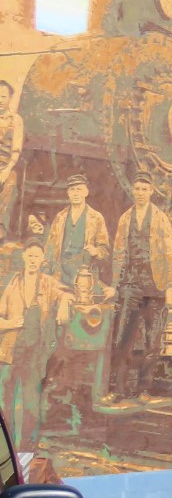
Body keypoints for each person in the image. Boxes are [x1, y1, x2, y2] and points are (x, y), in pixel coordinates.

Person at [106, 172, 172, 401]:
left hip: (155, 287)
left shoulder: (160, 218)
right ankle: (117, 390)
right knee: (123, 337)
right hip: (131, 286)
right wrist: (115, 284)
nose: (140, 193)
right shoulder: (125, 218)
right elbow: (118, 253)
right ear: (133, 191)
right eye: (137, 189)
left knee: (153, 340)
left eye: (144, 189)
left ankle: (144, 389)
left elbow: (171, 252)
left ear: (151, 191)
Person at [0, 241, 72, 448]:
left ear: (42, 260)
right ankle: (6, 447)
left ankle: (27, 448)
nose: (33, 261)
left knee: (32, 401)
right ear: (24, 257)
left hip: (34, 352)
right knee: (4, 401)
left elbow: (66, 292)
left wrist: (64, 303)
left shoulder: (48, 283)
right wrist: (10, 323)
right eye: (29, 256)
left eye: (37, 257)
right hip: (10, 352)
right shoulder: (12, 282)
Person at [43, 174, 111, 294]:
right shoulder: (60, 217)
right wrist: (46, 271)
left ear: (86, 192)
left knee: (81, 310)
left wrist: (96, 251)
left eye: (79, 189)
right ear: (68, 193)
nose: (75, 193)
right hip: (61, 275)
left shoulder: (96, 218)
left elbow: (105, 250)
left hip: (84, 276)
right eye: (72, 190)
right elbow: (49, 248)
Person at [0, 80, 22, 238]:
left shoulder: (15, 120)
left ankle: (1, 229)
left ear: (10, 98)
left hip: (5, 165)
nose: (0, 100)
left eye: (3, 96)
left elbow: (16, 150)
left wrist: (7, 170)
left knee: (10, 184)